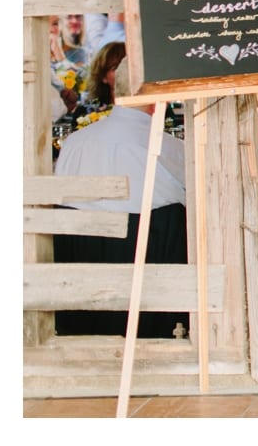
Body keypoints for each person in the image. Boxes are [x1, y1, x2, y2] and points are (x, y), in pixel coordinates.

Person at [53, 56, 189, 339]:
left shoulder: (73, 144)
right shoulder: (169, 149)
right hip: (146, 297)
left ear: (117, 91)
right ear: (156, 97)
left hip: (79, 295)